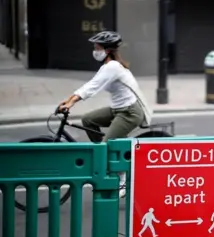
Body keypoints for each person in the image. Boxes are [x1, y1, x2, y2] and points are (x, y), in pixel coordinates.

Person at [58, 31, 153, 197]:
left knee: (106, 145)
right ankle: (103, 156)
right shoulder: (108, 66)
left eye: (97, 47)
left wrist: (71, 102)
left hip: (129, 112)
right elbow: (90, 84)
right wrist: (68, 100)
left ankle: (121, 176)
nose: (95, 50)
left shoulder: (113, 67)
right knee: (88, 120)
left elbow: (92, 87)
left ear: (107, 50)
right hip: (118, 109)